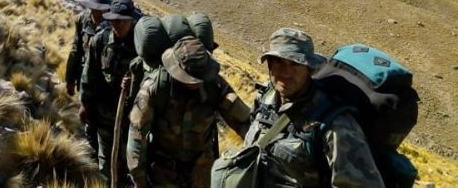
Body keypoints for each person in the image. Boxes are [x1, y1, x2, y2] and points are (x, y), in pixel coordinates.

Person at [237, 28, 385, 187]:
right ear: (269, 65)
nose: (286, 72)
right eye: (278, 61)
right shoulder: (265, 97)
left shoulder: (335, 124)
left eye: (295, 63)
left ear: (309, 68)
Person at [127, 37, 250, 188]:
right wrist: (139, 179)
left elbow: (244, 122)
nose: (197, 82)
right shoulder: (154, 89)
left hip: (202, 172)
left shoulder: (214, 86)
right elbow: (137, 135)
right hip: (163, 173)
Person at [80, 0, 141, 185]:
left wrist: (134, 84)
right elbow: (89, 75)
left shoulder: (142, 45)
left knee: (130, 166)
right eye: (114, 20)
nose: (118, 25)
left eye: (122, 21)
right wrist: (85, 104)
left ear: (131, 20)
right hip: (105, 116)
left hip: (132, 120)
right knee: (106, 164)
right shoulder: (100, 41)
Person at [66, 0, 111, 154]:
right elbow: (76, 50)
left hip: (107, 84)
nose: (99, 13)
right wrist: (70, 79)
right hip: (86, 81)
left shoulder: (114, 24)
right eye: (96, 9)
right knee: (89, 118)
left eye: (103, 9)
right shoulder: (82, 20)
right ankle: (94, 151)